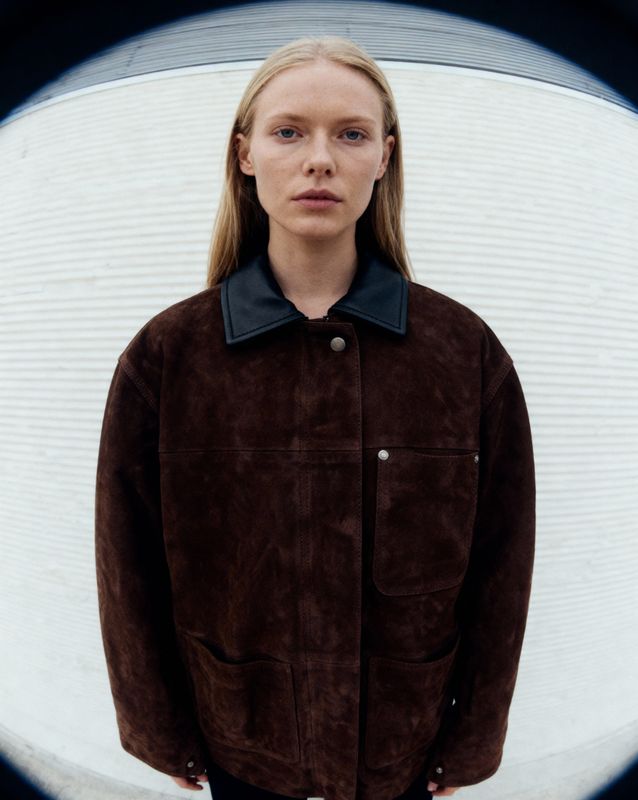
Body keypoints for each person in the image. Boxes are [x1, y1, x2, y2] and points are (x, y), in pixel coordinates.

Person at [94, 35, 535, 800]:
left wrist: (472, 743)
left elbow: (504, 563)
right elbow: (126, 564)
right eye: (290, 131)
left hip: (401, 756)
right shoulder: (168, 357)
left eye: (352, 133)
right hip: (241, 747)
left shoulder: (463, 354)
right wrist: (155, 726)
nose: (321, 159)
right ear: (245, 154)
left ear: (385, 157)